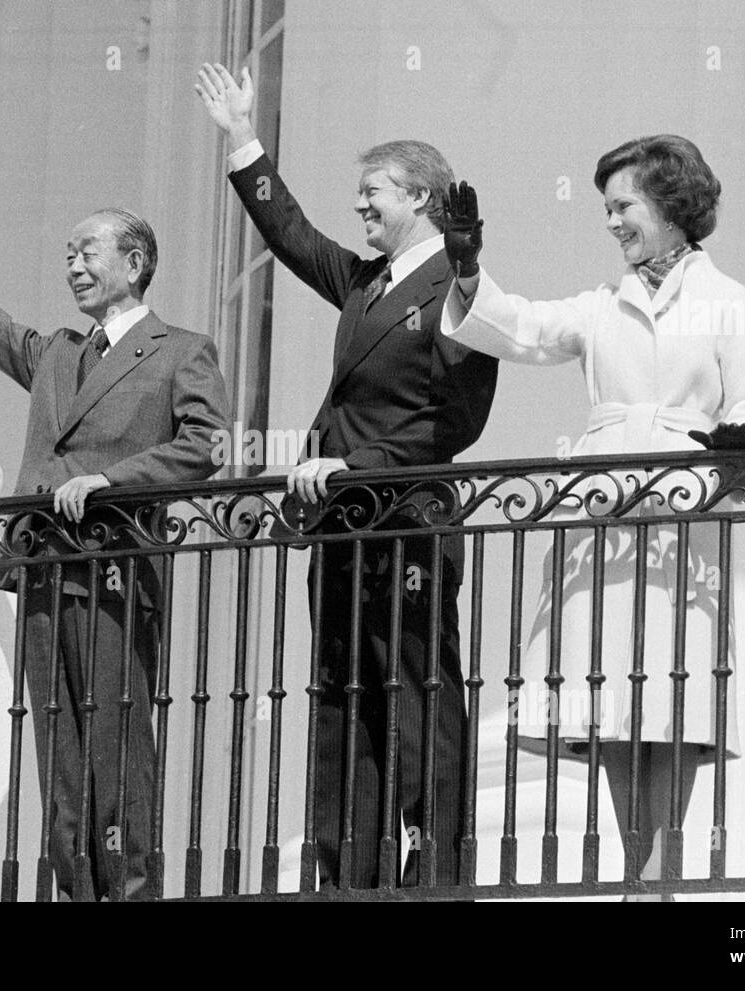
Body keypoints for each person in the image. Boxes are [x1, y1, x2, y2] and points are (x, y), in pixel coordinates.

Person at [0, 174, 230, 900]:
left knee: (114, 742)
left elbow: (207, 443)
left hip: (114, 568)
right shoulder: (59, 351)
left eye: (87, 250)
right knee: (59, 748)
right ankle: (78, 887)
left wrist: (112, 480)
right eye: (66, 254)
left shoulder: (180, 350)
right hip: (42, 568)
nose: (73, 265)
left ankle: (132, 888)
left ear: (135, 262)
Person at [438, 135, 745, 897]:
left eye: (623, 204)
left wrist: (731, 449)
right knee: (613, 711)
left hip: (680, 529)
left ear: (669, 206)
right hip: (602, 533)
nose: (612, 222)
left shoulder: (724, 299)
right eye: (606, 207)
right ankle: (637, 883)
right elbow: (521, 328)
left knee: (674, 706)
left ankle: (655, 883)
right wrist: (466, 268)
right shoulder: (602, 304)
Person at [195, 64, 500, 889]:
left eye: (376, 192)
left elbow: (459, 422)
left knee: (415, 692)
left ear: (424, 199)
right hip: (339, 526)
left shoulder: (459, 285)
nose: (361, 205)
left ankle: (434, 868)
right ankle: (347, 868)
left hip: (404, 518)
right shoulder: (366, 281)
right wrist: (243, 138)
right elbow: (291, 235)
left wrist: (354, 466)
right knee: (342, 692)